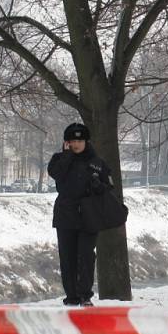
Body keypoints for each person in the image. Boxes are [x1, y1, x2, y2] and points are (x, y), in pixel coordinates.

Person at [47, 123, 112, 306]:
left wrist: (100, 187)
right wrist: (67, 155)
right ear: (66, 142)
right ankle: (72, 296)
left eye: (80, 140)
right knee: (67, 257)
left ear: (86, 141)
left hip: (89, 217)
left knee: (86, 256)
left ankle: (85, 295)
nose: (76, 144)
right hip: (65, 215)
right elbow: (57, 175)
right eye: (72, 141)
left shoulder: (97, 162)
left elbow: (109, 186)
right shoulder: (58, 159)